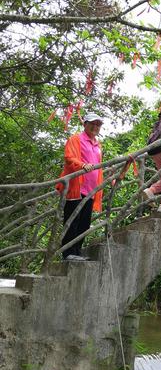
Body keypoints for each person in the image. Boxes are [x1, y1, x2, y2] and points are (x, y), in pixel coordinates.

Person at [58, 112, 104, 261]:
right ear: (85, 124)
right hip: (76, 188)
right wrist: (82, 165)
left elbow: (98, 167)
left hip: (91, 190)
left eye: (98, 124)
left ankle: (77, 252)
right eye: (92, 123)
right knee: (72, 220)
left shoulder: (98, 144)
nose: (95, 126)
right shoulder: (76, 139)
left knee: (84, 223)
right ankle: (68, 253)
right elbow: (69, 157)